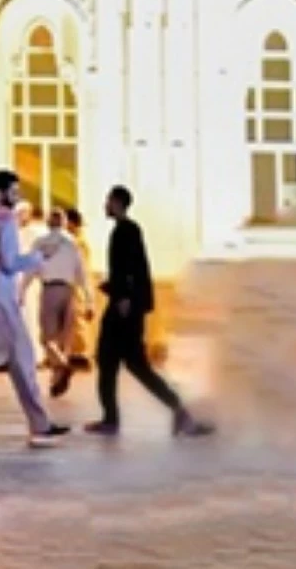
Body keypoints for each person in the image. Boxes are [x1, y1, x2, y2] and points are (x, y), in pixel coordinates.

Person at [87, 185, 212, 438]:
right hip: (126, 303)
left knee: (123, 362)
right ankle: (173, 412)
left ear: (118, 203)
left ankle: (171, 413)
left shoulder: (127, 230)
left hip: (124, 308)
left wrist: (124, 296)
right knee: (121, 363)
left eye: (109, 201)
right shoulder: (124, 230)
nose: (105, 205)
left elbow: (131, 267)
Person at [0, 172, 71, 446]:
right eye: (13, 191)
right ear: (0, 193)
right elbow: (9, 263)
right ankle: (40, 426)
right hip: (1, 301)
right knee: (23, 357)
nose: (17, 196)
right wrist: (37, 257)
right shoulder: (4, 221)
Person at [30, 207, 86, 396]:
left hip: (51, 290)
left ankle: (62, 365)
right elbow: (82, 273)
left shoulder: (42, 242)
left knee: (48, 338)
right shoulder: (73, 243)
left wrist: (21, 289)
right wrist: (87, 299)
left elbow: (32, 268)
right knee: (63, 339)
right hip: (70, 291)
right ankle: (57, 379)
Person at [64, 206, 98, 370]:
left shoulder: (77, 242)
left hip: (76, 286)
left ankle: (82, 354)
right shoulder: (74, 241)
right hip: (73, 285)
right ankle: (76, 353)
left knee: (78, 320)